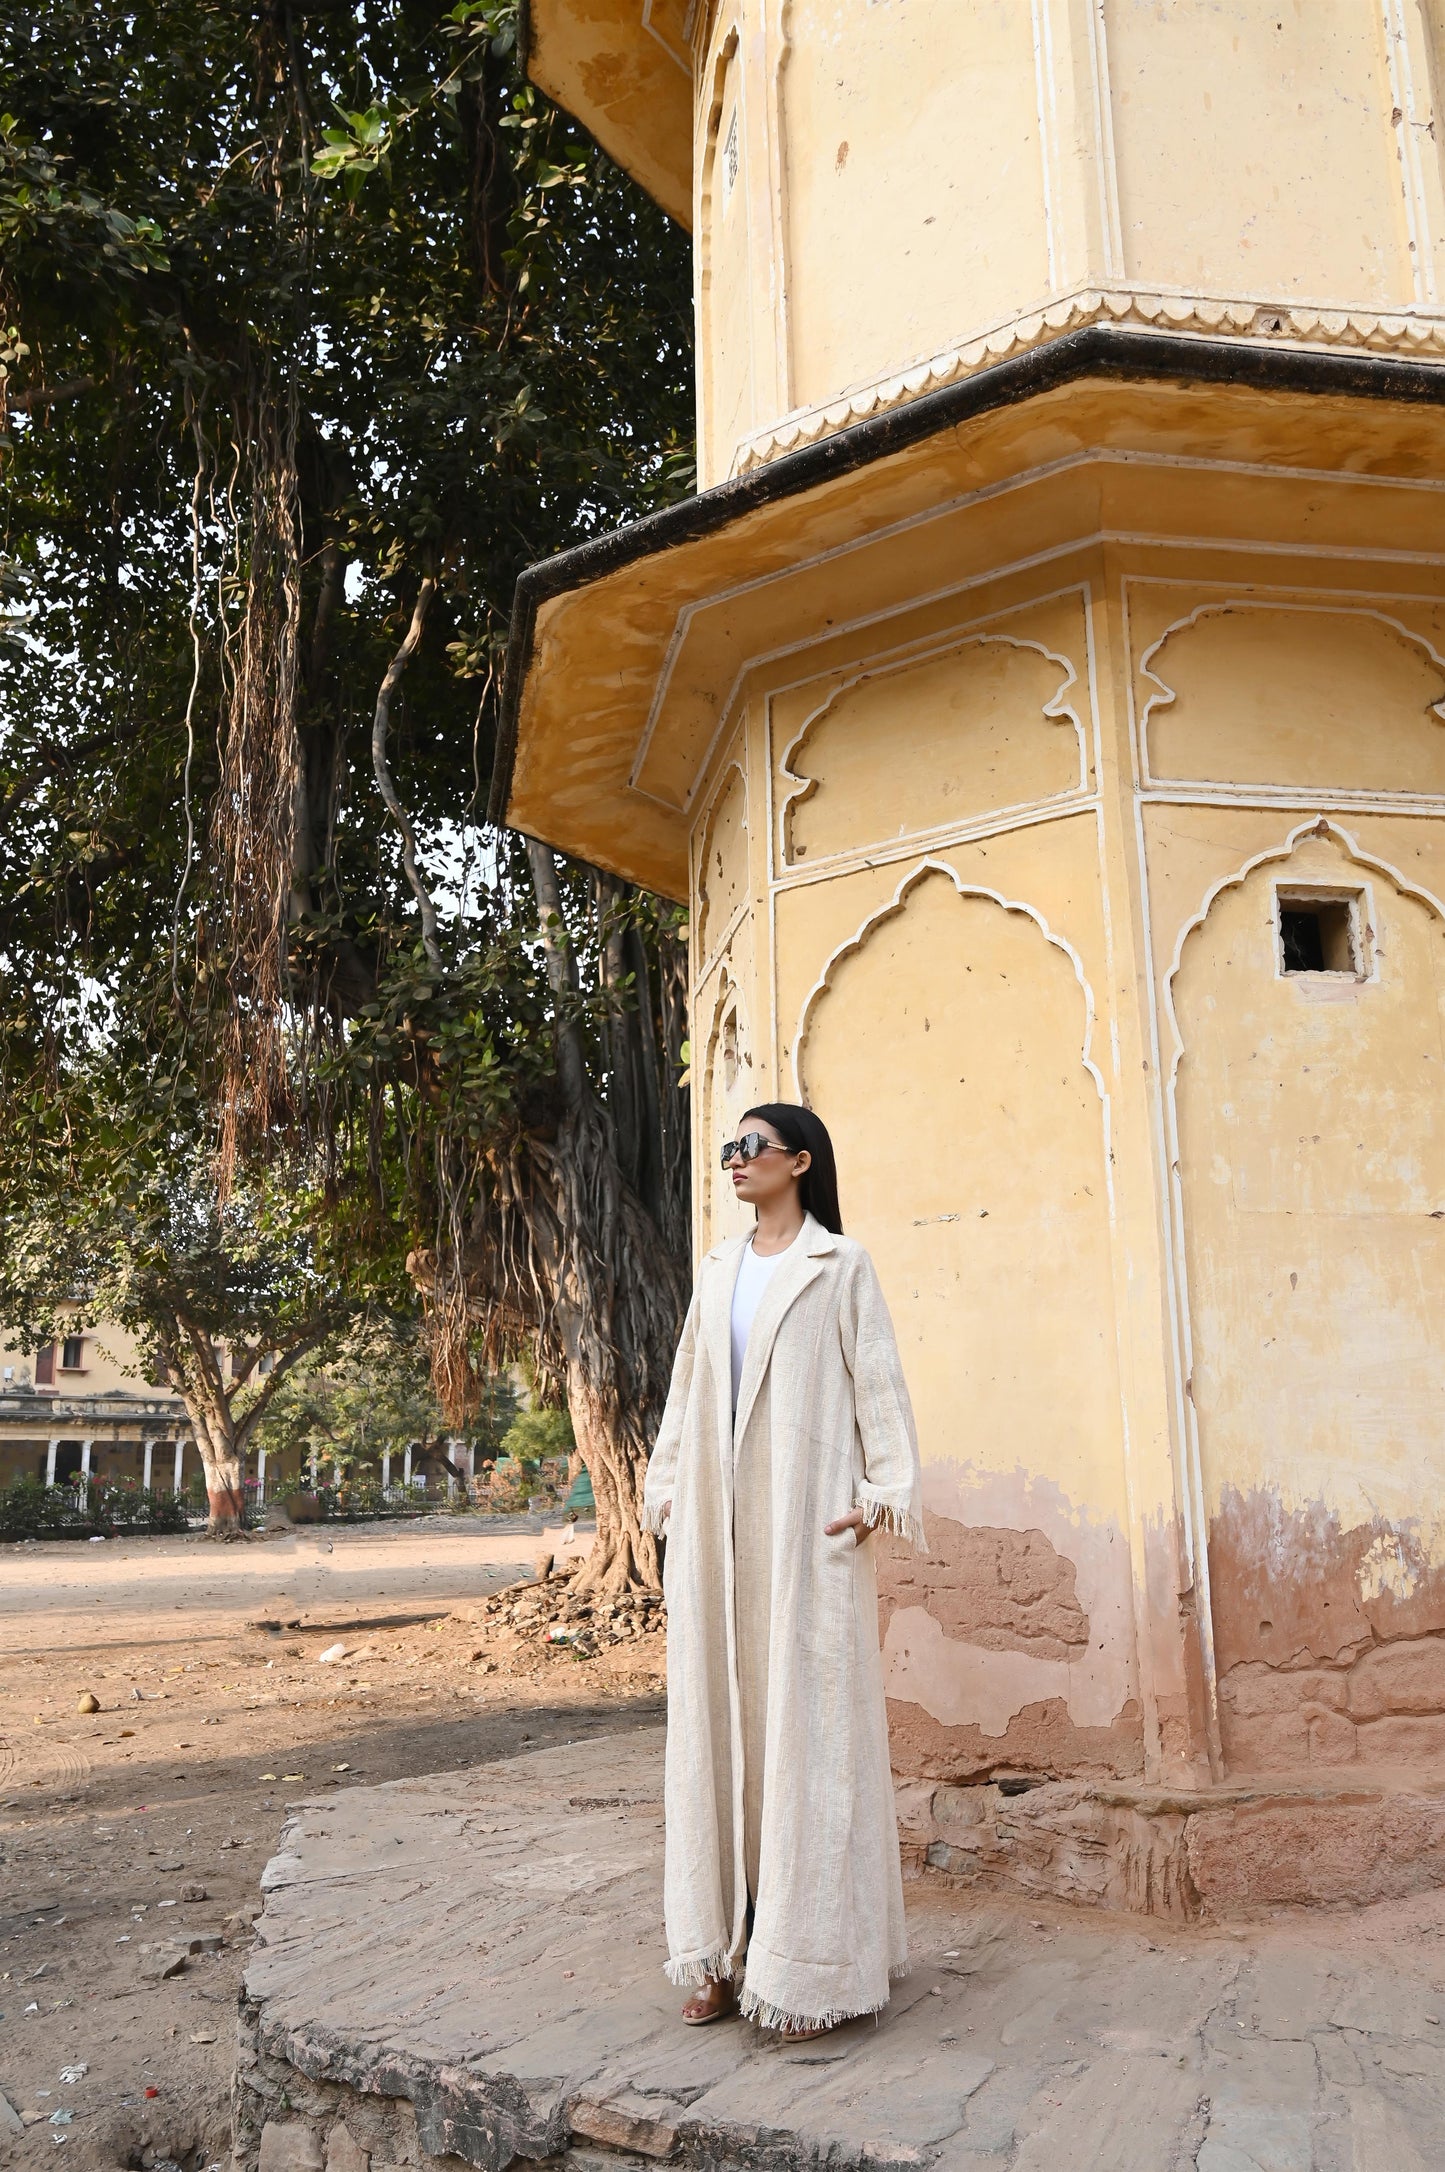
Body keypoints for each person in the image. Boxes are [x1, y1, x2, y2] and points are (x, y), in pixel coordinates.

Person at [643, 1102, 926, 2040]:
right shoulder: (718, 1269)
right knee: (717, 1736)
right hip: (717, 1536)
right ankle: (716, 1954)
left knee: (805, 1740)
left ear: (798, 1163)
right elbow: (687, 1389)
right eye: (727, 1147)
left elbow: (879, 1385)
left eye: (749, 1147)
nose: (732, 1159)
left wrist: (878, 1493)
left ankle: (806, 1964)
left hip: (806, 1528)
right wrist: (670, 1490)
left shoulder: (839, 1265)